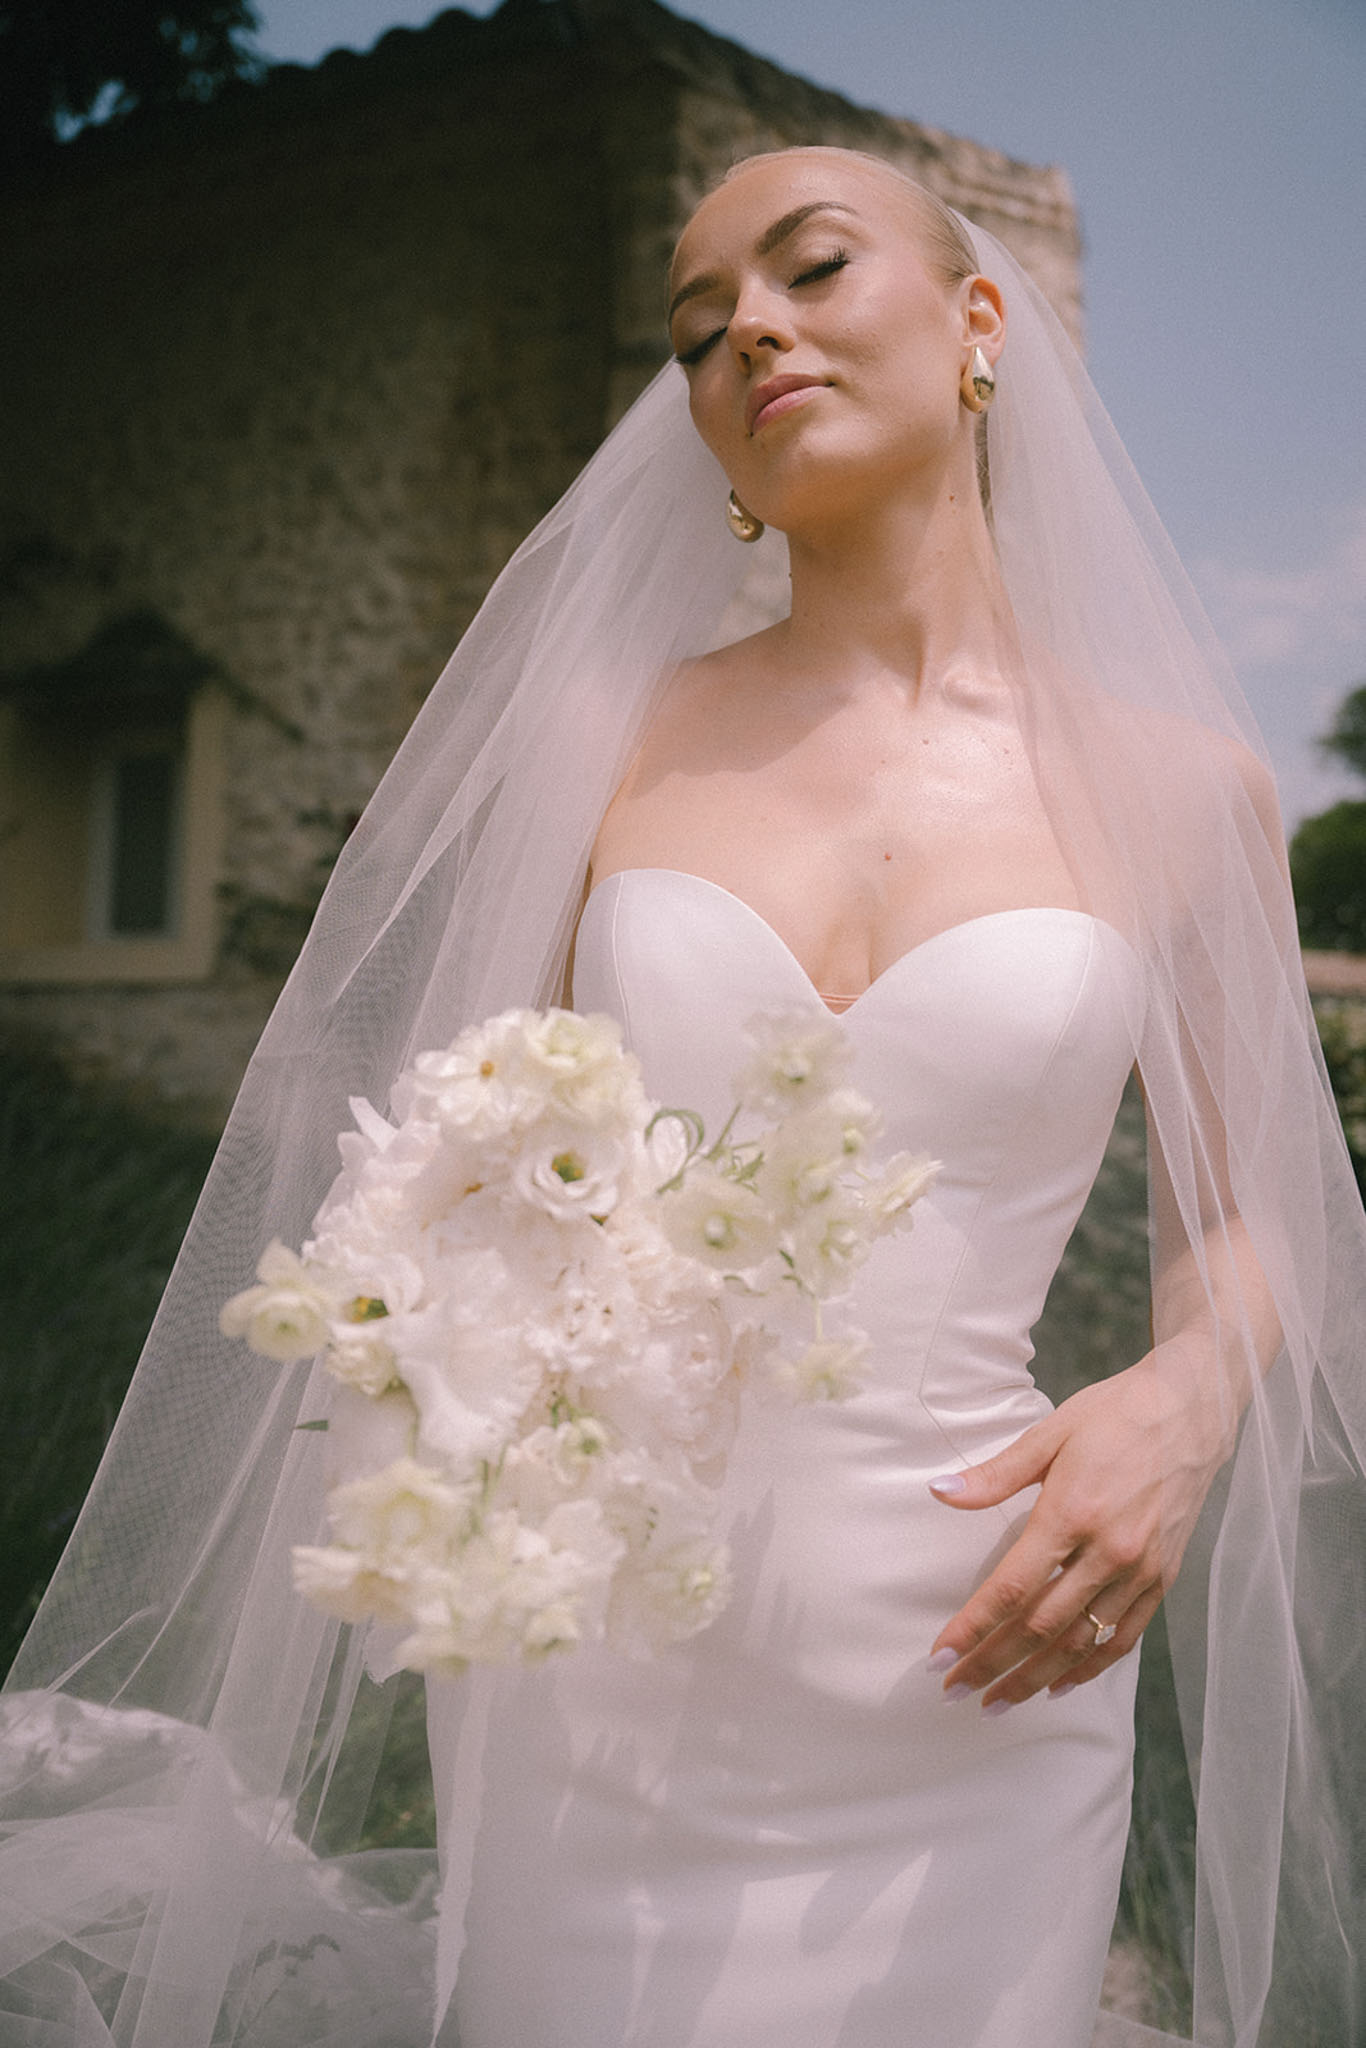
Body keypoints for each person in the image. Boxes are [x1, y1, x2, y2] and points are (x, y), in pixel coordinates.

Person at [0, 147, 1362, 2048]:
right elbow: (433, 1159)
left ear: (981, 327)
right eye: (700, 329)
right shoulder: (598, 736)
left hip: (982, 1645)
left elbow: (1246, 1197)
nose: (752, 337)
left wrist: (1188, 1394)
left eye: (809, 269)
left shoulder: (1186, 787)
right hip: (608, 1648)